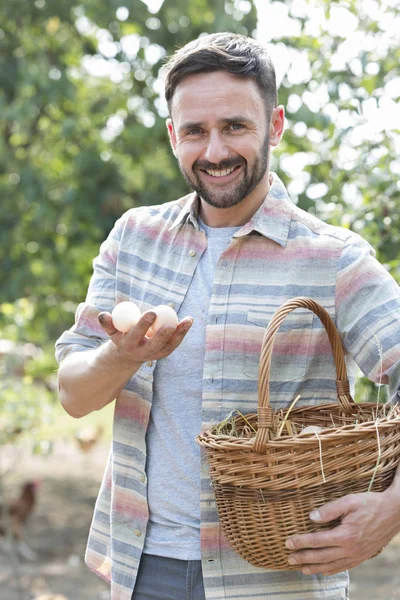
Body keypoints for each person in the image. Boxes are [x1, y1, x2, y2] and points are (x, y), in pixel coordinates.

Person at [56, 32, 400, 600]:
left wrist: (390, 510)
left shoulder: (332, 258)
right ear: (173, 135)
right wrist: (121, 355)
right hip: (142, 572)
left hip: (278, 581)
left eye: (235, 127)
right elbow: (73, 394)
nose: (214, 152)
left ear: (276, 125)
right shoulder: (134, 239)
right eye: (195, 131)